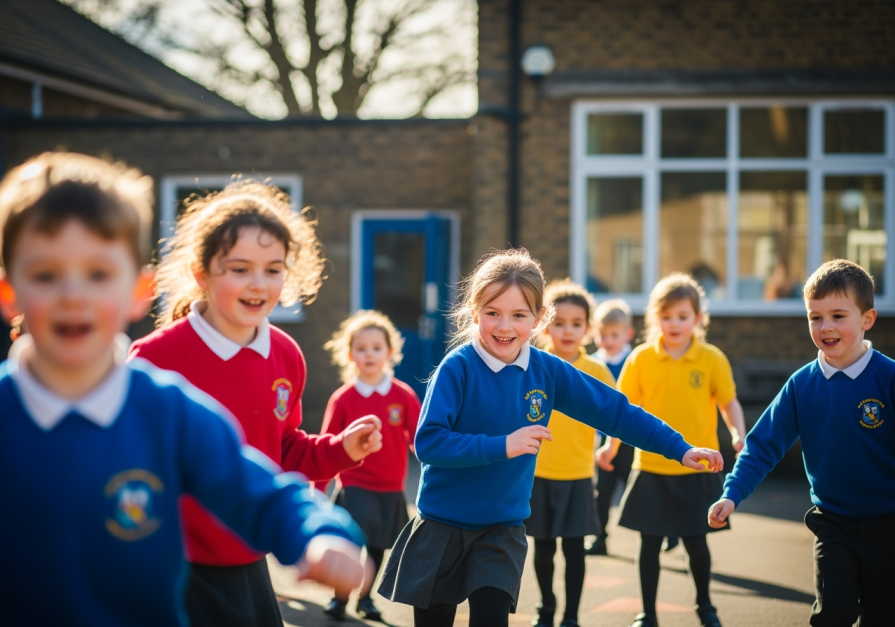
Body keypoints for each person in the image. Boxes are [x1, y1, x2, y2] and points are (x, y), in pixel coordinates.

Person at [0, 152, 368, 626]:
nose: (75, 295)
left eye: (98, 274)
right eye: (48, 275)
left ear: (139, 290)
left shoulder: (169, 410)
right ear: (10, 294)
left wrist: (320, 534)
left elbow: (262, 490)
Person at [377, 249, 724, 627]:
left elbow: (616, 412)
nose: (504, 326)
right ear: (474, 312)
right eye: (492, 313)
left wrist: (679, 447)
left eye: (519, 315)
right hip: (442, 524)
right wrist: (503, 445)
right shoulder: (457, 367)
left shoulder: (548, 371)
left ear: (539, 318)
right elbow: (429, 443)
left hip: (501, 528)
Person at [128, 181, 383, 627]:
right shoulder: (154, 360)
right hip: (176, 569)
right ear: (201, 272)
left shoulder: (286, 355)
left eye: (273, 269)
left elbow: (283, 451)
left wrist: (341, 450)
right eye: (240, 268)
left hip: (251, 560)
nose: (258, 284)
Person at [709, 259, 895, 627]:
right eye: (815, 317)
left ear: (868, 319)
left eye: (838, 315)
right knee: (833, 615)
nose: (825, 327)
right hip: (833, 521)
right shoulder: (802, 385)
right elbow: (762, 444)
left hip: (888, 522)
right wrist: (732, 493)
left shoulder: (887, 377)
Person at [598, 273, 746, 627]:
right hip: (650, 467)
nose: (674, 323)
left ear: (698, 318)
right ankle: (647, 613)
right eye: (666, 317)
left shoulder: (711, 358)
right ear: (654, 318)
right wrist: (610, 445)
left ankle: (705, 607)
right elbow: (624, 411)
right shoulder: (640, 359)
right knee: (649, 546)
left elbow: (730, 403)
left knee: (697, 543)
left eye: (683, 316)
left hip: (697, 470)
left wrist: (738, 434)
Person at [319, 310, 421, 621]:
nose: (369, 354)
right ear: (350, 354)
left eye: (376, 347)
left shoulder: (402, 395)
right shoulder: (344, 398)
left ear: (390, 352)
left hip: (391, 486)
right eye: (361, 348)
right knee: (352, 542)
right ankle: (339, 598)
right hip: (354, 482)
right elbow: (324, 444)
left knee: (378, 547)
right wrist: (318, 489)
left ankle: (365, 598)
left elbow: (420, 438)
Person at [526, 279, 615, 627]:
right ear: (543, 325)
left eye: (576, 324)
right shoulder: (532, 364)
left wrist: (611, 445)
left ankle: (572, 617)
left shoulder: (597, 371)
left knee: (575, 551)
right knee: (544, 550)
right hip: (538, 473)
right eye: (559, 322)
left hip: (578, 475)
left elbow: (619, 415)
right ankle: (545, 609)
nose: (567, 330)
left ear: (588, 329)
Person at [585, 298, 636, 556]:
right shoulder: (592, 363)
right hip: (603, 441)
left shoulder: (634, 361)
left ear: (628, 334)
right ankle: (599, 538)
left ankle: (666, 532)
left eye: (614, 335)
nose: (607, 340)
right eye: (602, 334)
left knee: (638, 490)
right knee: (601, 494)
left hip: (630, 441)